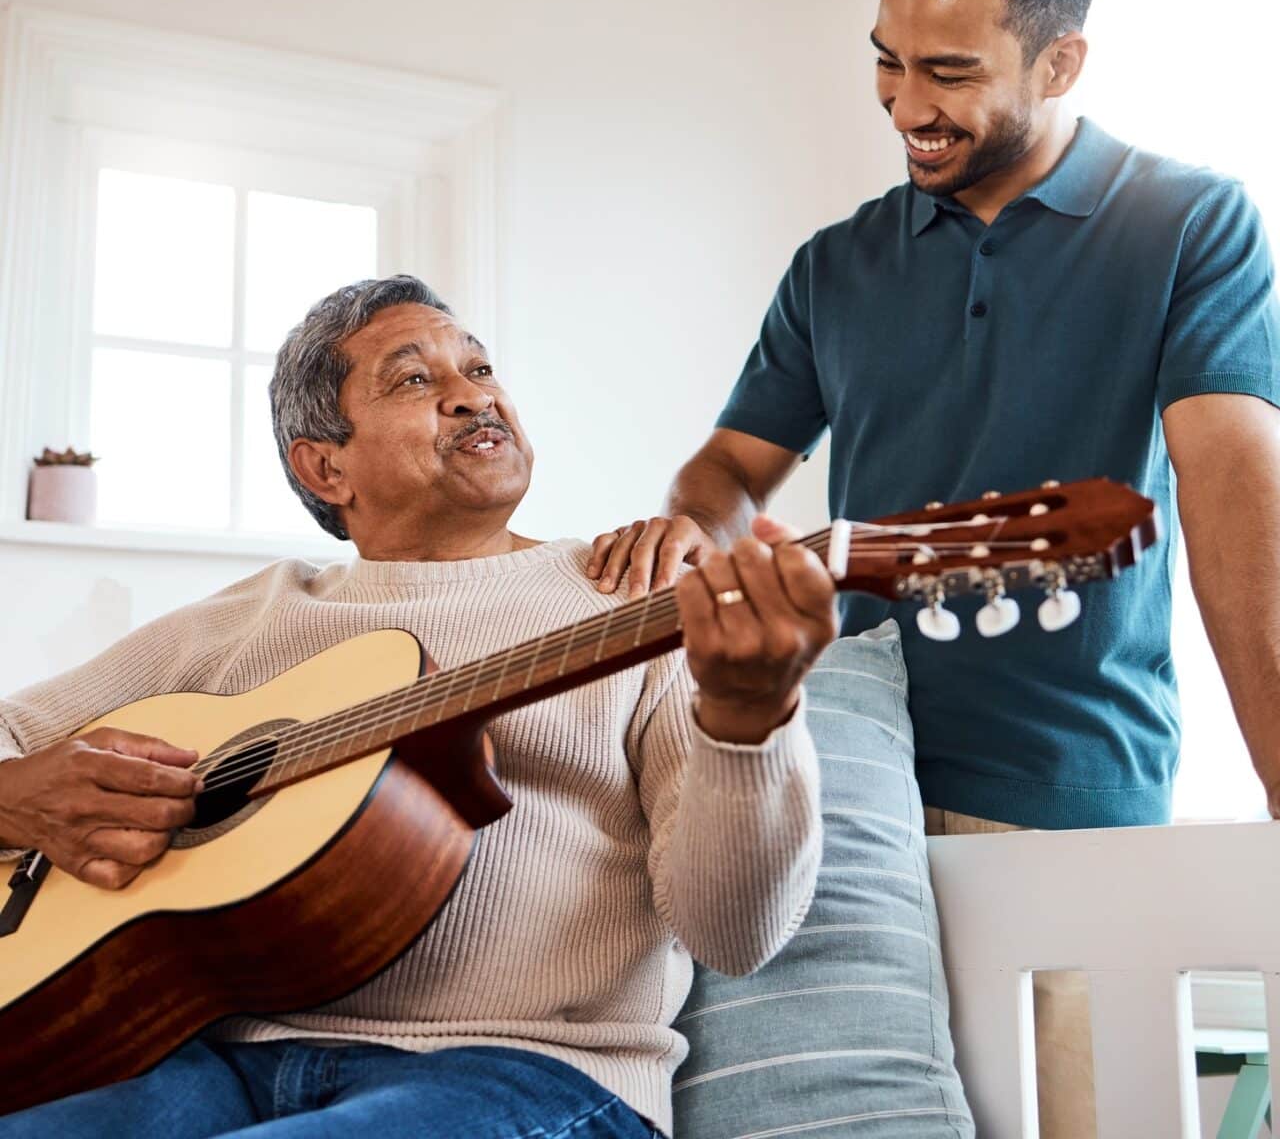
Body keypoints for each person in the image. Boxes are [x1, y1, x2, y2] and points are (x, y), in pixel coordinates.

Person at [585, 0, 1280, 1138]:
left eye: (948, 72)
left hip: (1068, 800)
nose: (906, 104)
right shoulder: (833, 264)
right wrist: (700, 530)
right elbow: (727, 474)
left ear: (1060, 58)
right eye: (884, 61)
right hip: (841, 797)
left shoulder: (1189, 224)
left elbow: (1241, 529)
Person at [0, 275, 835, 1138]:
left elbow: (736, 936)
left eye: (478, 367)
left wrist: (749, 719)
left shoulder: (639, 598)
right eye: (413, 379)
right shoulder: (249, 617)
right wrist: (17, 795)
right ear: (325, 466)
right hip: (210, 1057)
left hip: (526, 1074)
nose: (474, 394)